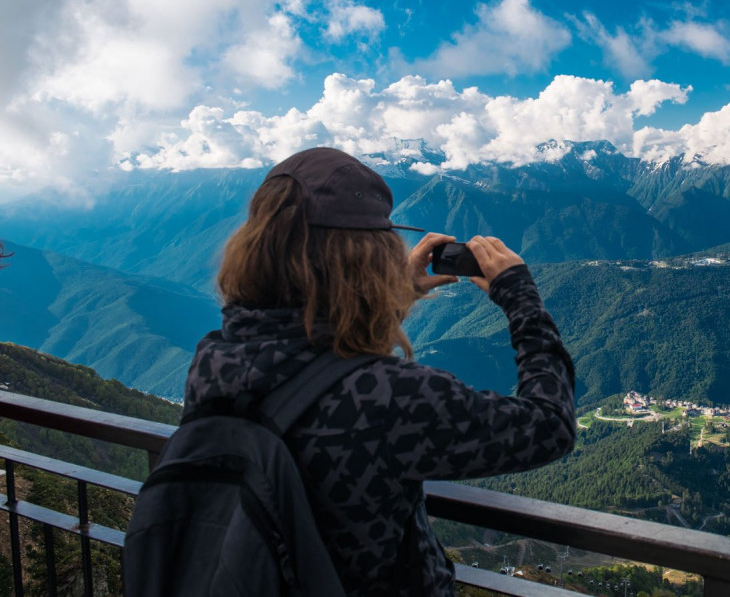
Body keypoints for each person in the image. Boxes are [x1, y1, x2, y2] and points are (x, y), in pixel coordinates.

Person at [180, 147, 576, 595]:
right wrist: (521, 298)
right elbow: (549, 426)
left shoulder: (214, 361)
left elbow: (312, 368)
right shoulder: (393, 399)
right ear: (369, 261)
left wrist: (388, 302)